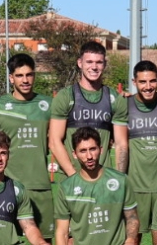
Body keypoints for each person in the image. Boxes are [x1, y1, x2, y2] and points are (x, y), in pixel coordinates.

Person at [0, 52, 59, 245]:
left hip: (40, 185)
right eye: (20, 75)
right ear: (11, 78)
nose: (25, 80)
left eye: (29, 75)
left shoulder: (46, 104)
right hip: (7, 187)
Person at [113, 60, 157, 245]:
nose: (148, 86)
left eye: (152, 81)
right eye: (142, 82)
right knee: (132, 239)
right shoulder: (124, 105)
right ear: (134, 82)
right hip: (135, 186)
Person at [50, 40, 120, 174]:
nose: (94, 67)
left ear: (104, 64)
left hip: (104, 180)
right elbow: (54, 141)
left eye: (99, 62)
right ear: (80, 63)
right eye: (89, 62)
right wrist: (74, 176)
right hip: (72, 179)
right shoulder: (65, 96)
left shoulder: (115, 98)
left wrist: (117, 177)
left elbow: (121, 143)